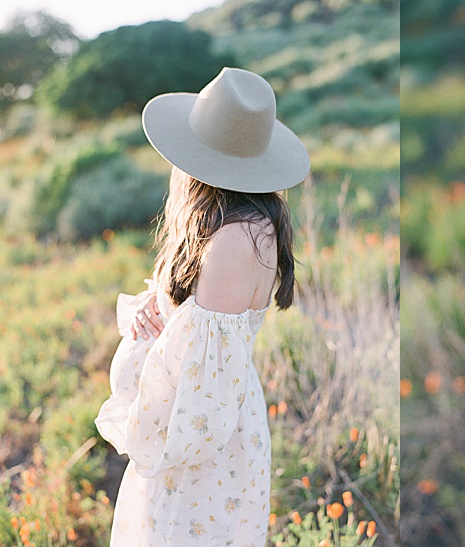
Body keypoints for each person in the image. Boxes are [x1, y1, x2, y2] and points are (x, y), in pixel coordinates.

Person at [94, 67, 310, 546]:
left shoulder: (238, 237)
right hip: (209, 425)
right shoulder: (230, 220)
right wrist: (147, 315)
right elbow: (186, 316)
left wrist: (150, 345)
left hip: (200, 443)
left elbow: (201, 393)